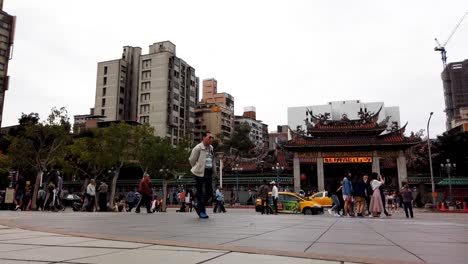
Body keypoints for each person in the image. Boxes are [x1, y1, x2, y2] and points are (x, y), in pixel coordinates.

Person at [188, 131, 217, 219]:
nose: (211, 139)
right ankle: (202, 211)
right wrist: (198, 168)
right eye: (209, 137)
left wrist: (214, 171)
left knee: (209, 193)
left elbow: (212, 160)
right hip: (199, 173)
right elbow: (191, 160)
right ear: (204, 138)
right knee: (200, 192)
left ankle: (198, 205)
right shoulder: (198, 148)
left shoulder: (211, 148)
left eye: (212, 137)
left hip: (208, 172)